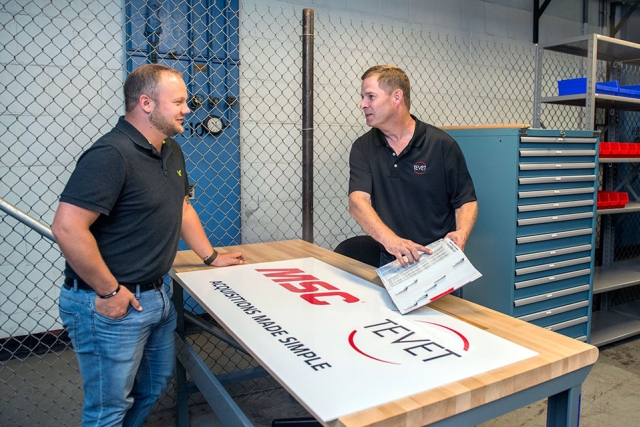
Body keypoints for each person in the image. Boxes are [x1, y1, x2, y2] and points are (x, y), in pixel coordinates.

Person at [51, 63, 246, 426]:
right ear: (146, 103)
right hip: (110, 303)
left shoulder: (170, 149)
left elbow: (182, 205)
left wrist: (211, 255)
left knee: (155, 385)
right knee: (108, 408)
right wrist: (110, 292)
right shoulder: (111, 154)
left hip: (154, 297)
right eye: (179, 102)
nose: (188, 109)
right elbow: (67, 228)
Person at [348, 64, 478, 273]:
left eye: (370, 97)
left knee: (445, 308)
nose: (362, 104)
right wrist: (392, 242)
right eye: (363, 97)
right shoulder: (363, 147)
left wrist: (462, 233)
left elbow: (465, 200)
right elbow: (357, 202)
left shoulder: (442, 145)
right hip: (393, 260)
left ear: (396, 97)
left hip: (440, 260)